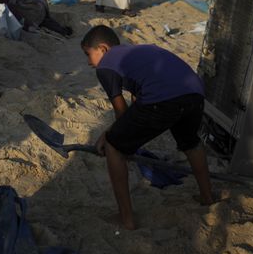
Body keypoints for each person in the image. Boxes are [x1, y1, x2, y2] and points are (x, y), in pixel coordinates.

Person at [80, 25, 214, 230]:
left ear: (104, 49)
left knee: (114, 147)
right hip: (194, 93)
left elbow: (122, 111)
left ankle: (126, 219)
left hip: (164, 98)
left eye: (88, 55)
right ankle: (207, 198)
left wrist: (108, 137)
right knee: (190, 143)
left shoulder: (105, 66)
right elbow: (137, 101)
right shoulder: (136, 53)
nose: (89, 63)